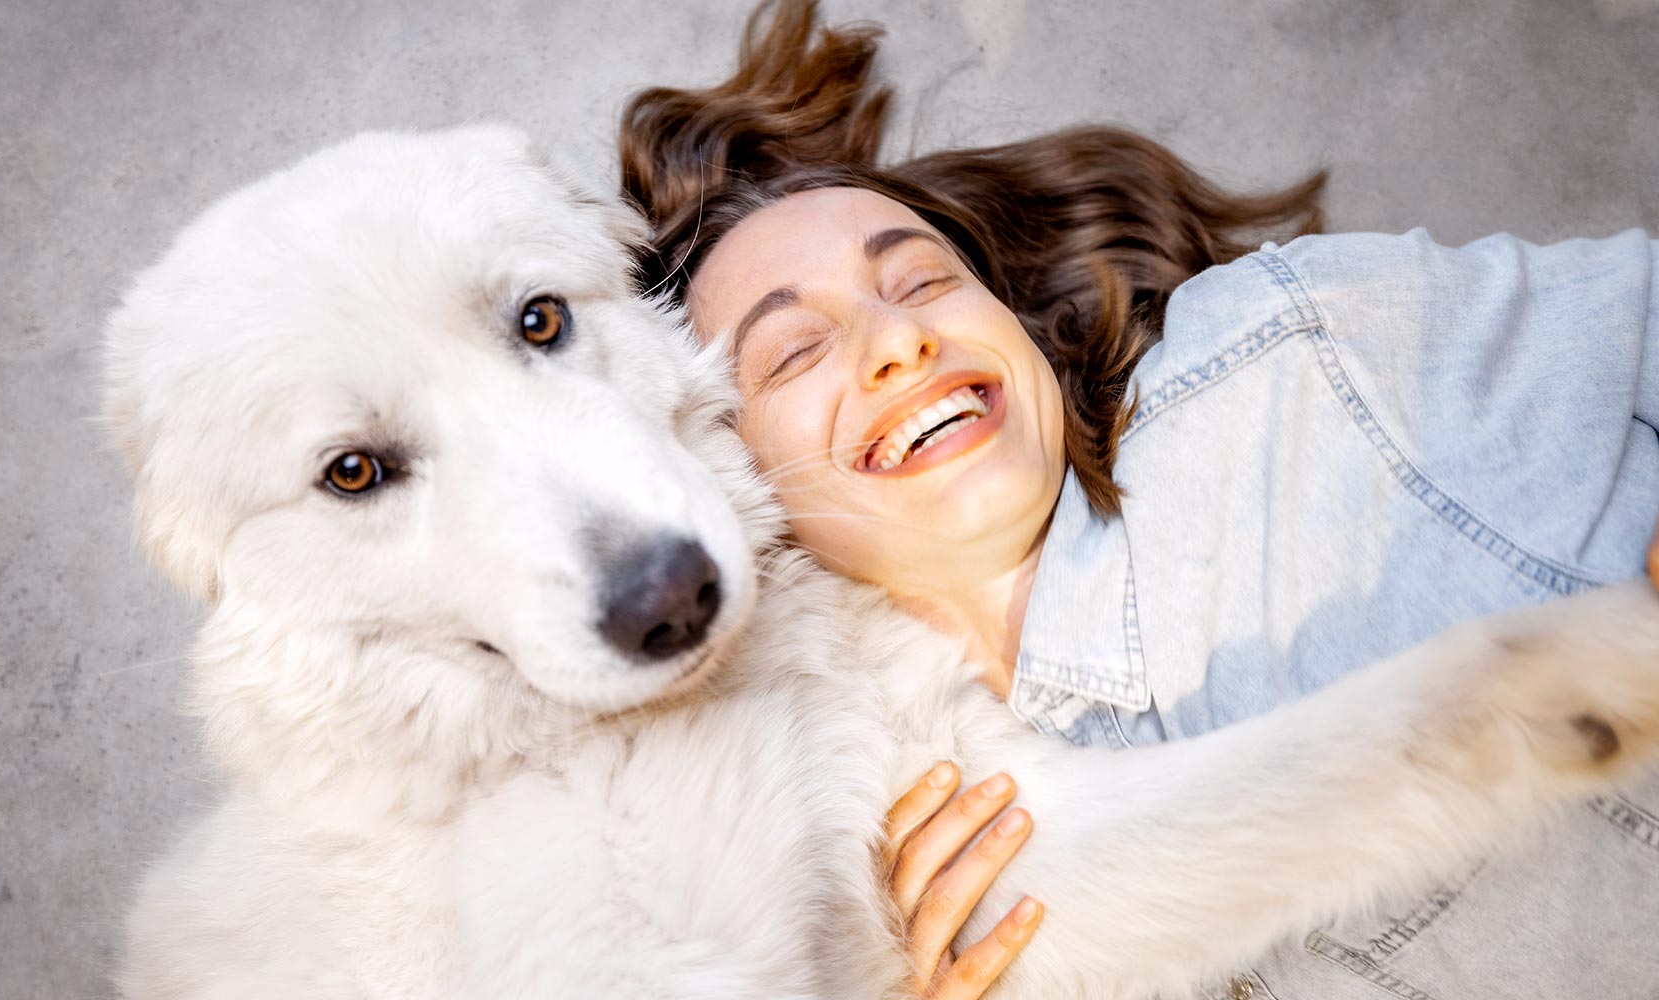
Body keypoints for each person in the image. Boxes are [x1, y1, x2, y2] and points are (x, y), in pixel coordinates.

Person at [617, 2, 1659, 998]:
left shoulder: (1279, 369)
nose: (898, 341)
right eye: (795, 350)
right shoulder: (898, 868)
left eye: (924, 282)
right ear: (734, 485)